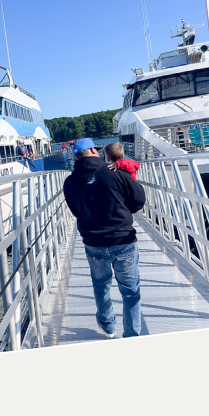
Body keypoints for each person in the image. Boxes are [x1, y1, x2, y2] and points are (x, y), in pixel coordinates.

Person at [64, 137, 146, 339]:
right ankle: (132, 335)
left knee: (101, 286)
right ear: (93, 150)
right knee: (130, 292)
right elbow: (138, 201)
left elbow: (76, 211)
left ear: (76, 156)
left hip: (94, 243)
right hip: (123, 240)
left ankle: (108, 325)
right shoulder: (116, 174)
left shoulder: (70, 182)